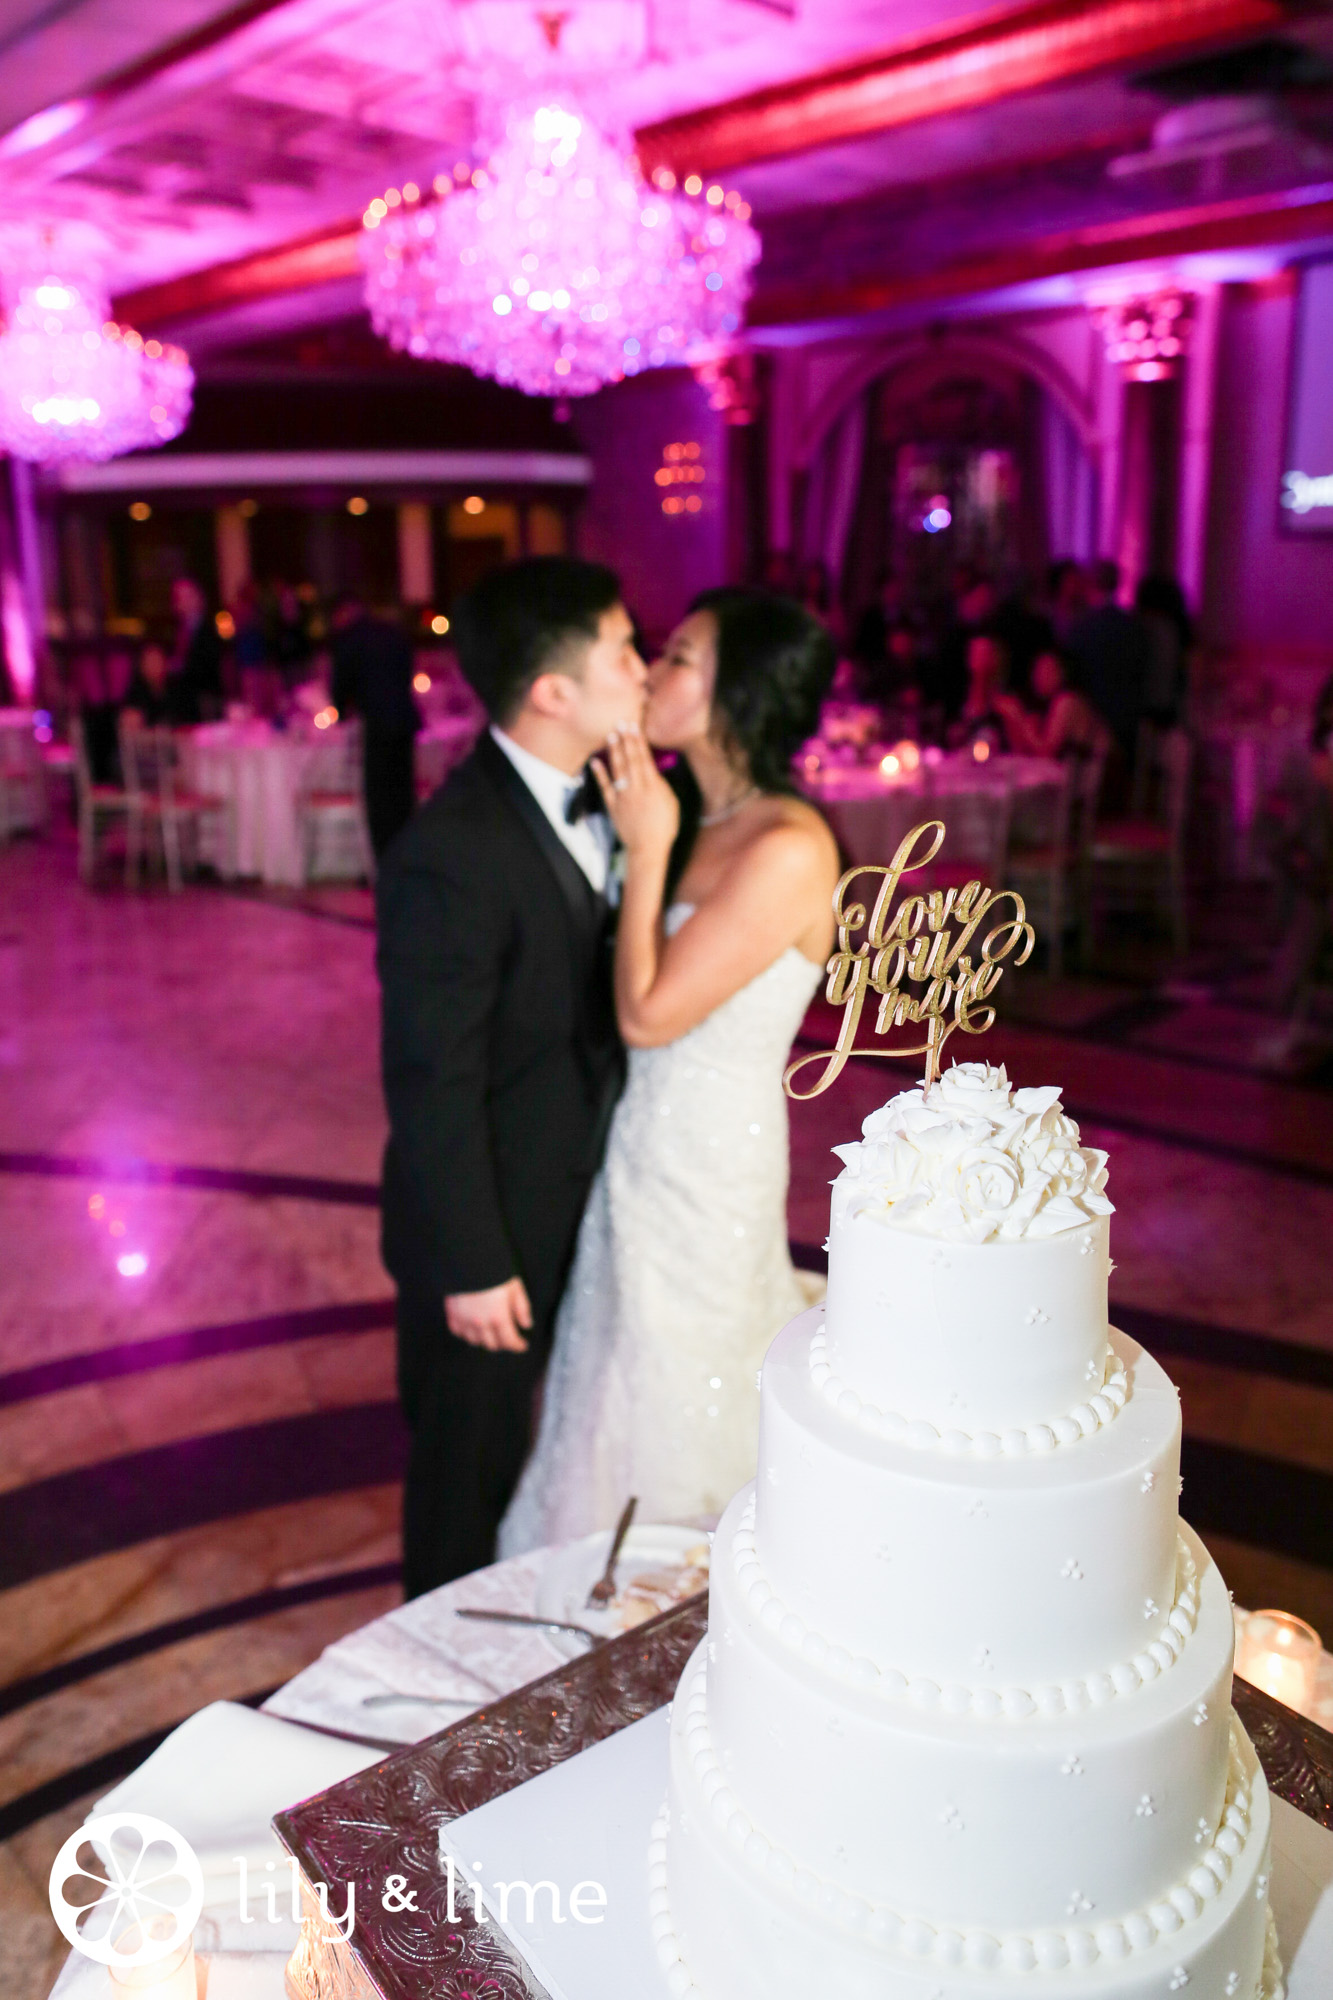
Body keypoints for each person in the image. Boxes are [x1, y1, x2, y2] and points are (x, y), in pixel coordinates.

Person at [499, 588, 839, 1552]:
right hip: (637, 1142)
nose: (651, 670)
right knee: (611, 1369)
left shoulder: (787, 844)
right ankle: (583, 1578)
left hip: (709, 1156)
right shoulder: (691, 812)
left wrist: (646, 851)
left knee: (687, 1371)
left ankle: (682, 1596)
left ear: (740, 690)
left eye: (681, 656)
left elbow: (649, 1013)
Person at [376, 557, 644, 1595]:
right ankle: (437, 1712)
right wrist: (475, 1261)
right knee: (463, 1471)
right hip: (486, 1226)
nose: (641, 666)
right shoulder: (451, 851)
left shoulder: (615, 793)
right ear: (551, 691)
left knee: (528, 1451)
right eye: (622, 649)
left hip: (571, 1186)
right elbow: (429, 1079)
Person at [329, 594, 421, 858]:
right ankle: (408, 850)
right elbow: (406, 672)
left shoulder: (350, 638)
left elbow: (341, 682)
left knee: (379, 796)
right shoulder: (393, 633)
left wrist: (340, 712)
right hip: (404, 720)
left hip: (378, 724)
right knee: (403, 792)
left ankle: (385, 857)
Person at [1066, 558, 1149, 760]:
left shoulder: (1082, 628)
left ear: (1091, 585)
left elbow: (1074, 678)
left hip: (1091, 726)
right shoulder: (1133, 626)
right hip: (1128, 723)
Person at [996, 647, 1113, 762]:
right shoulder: (1047, 706)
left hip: (1102, 771)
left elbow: (1046, 755)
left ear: (1064, 673)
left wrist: (1018, 717)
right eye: (1038, 671)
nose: (1040, 677)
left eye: (1048, 670)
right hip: (1081, 771)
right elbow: (1025, 753)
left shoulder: (1067, 700)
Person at [169, 578, 224, 723]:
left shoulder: (211, 628)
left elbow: (210, 666)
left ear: (199, 598)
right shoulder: (178, 630)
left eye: (188, 596)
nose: (183, 602)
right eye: (179, 597)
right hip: (186, 703)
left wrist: (179, 667)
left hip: (205, 701)